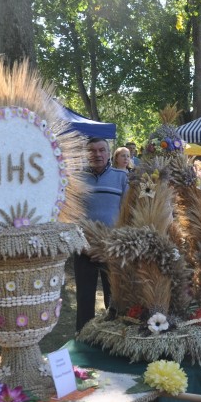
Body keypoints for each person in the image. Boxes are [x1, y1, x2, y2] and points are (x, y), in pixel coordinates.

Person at [74, 137, 128, 332]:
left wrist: (113, 246)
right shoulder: (78, 179)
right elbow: (73, 214)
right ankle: (83, 337)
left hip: (111, 248)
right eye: (92, 151)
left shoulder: (122, 178)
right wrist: (84, 245)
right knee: (84, 297)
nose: (97, 154)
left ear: (108, 153)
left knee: (114, 297)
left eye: (101, 150)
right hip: (83, 247)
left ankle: (112, 334)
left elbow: (126, 213)